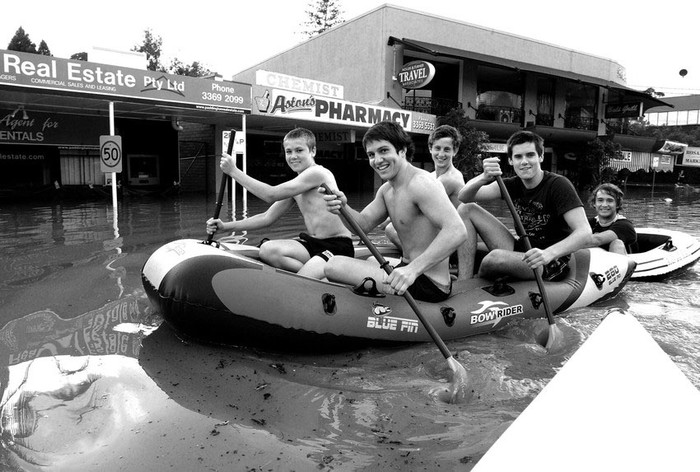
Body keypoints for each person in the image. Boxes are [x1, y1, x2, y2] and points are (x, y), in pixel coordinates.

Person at [322, 121, 467, 302]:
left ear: (402, 151)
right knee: (369, 261)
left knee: (333, 266)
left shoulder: (421, 183)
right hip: (408, 268)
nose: (377, 160)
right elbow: (363, 224)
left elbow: (457, 231)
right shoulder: (387, 190)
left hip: (429, 282)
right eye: (371, 154)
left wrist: (412, 270)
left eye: (384, 151)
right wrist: (342, 207)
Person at [206, 127, 353, 279]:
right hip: (314, 244)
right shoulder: (298, 183)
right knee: (267, 250)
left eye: (299, 150)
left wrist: (234, 172)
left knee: (301, 280)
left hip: (338, 246)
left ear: (313, 151)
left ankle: (317, 275)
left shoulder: (317, 173)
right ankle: (319, 274)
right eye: (289, 152)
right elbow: (266, 217)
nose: (293, 156)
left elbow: (270, 194)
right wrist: (225, 227)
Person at [457, 130, 591, 280]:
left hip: (548, 261)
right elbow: (464, 197)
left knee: (493, 258)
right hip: (521, 248)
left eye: (530, 155)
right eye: (518, 157)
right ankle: (464, 280)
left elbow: (584, 232)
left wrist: (548, 254)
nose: (524, 161)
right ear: (510, 161)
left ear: (540, 157)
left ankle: (477, 283)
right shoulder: (511, 184)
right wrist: (483, 177)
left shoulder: (558, 185)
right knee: (466, 209)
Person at [384, 124, 465, 249]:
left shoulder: (451, 179)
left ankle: (417, 260)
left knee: (390, 229)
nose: (441, 154)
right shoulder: (431, 176)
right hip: (437, 232)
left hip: (454, 240)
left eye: (447, 149)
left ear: (455, 151)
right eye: (437, 148)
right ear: (430, 148)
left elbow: (411, 207)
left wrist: (387, 219)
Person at [588, 182, 637, 254]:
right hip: (594, 262)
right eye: (600, 200)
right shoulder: (589, 223)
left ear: (617, 204)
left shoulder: (625, 226)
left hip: (625, 263)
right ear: (594, 204)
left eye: (610, 200)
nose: (604, 205)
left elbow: (598, 240)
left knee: (616, 243)